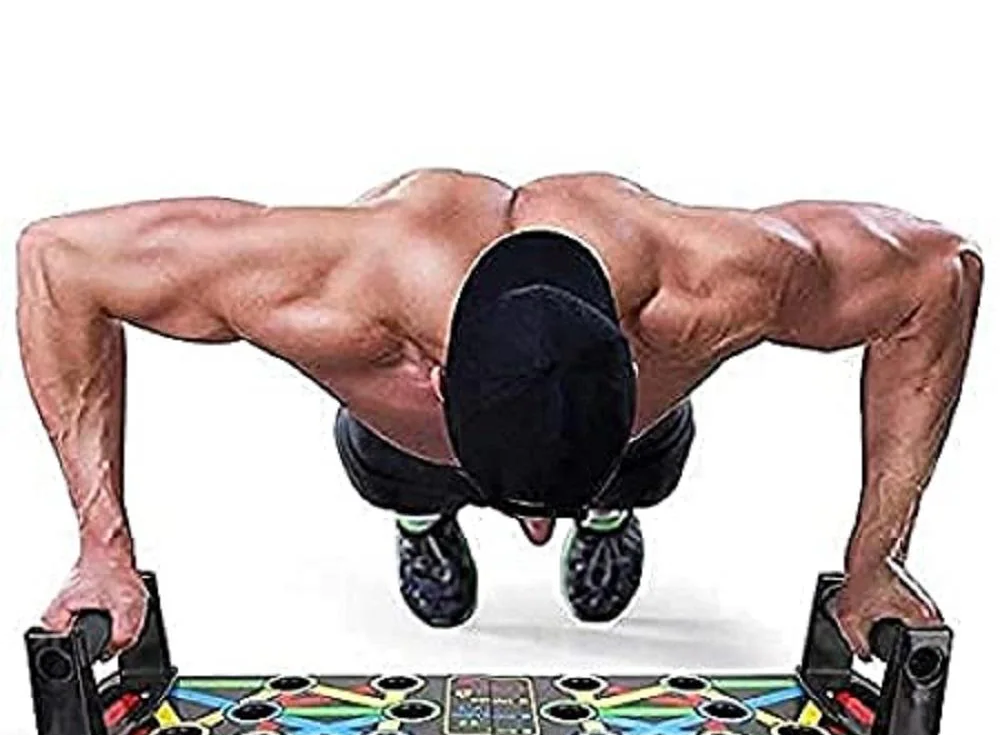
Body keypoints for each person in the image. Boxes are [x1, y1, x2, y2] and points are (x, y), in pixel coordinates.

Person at [16, 169, 982, 657]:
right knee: (396, 471)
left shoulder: (713, 284)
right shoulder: (320, 288)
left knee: (644, 465)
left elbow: (941, 276)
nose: (533, 524)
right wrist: (102, 547)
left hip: (623, 441)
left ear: (633, 352)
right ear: (434, 376)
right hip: (411, 447)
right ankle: (424, 521)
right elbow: (58, 264)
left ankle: (607, 505)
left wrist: (878, 559)